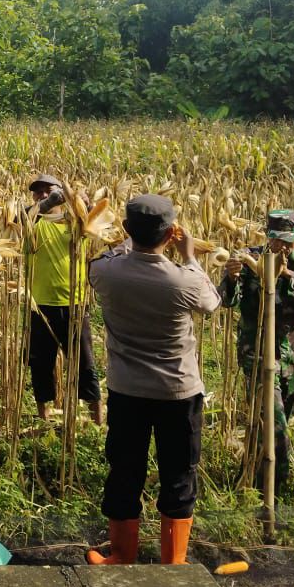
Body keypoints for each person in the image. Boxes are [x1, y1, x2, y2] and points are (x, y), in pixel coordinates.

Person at [86, 194, 221, 566]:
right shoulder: (184, 281)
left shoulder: (106, 272)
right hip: (178, 393)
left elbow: (101, 259)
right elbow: (212, 302)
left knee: (125, 470)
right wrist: (190, 255)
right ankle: (173, 564)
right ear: (171, 233)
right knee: (178, 474)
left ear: (127, 230)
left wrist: (126, 241)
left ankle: (122, 557)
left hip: (127, 391)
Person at [220, 210, 294, 494]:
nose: (283, 246)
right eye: (277, 239)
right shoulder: (247, 257)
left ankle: (252, 469)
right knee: (274, 420)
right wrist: (231, 278)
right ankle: (276, 487)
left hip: (293, 349)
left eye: (288, 241)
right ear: (267, 235)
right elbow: (227, 301)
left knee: (276, 418)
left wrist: (285, 275)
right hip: (255, 349)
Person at [25, 174, 102, 426]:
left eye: (48, 191)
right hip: (40, 304)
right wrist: (46, 205)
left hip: (75, 304)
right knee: (40, 363)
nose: (42, 195)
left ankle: (97, 421)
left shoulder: (77, 222)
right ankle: (43, 417)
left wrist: (86, 205)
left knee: (85, 364)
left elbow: (100, 221)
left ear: (63, 193)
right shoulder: (33, 223)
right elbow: (18, 218)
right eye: (38, 193)